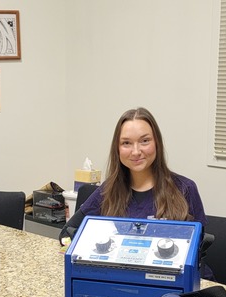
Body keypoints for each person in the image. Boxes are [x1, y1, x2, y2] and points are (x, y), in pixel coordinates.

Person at [59, 107, 210, 275]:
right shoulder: (107, 191)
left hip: (172, 284)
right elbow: (67, 234)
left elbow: (198, 252)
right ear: (117, 149)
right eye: (126, 143)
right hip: (123, 280)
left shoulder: (185, 189)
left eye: (144, 141)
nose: (136, 151)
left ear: (157, 143)